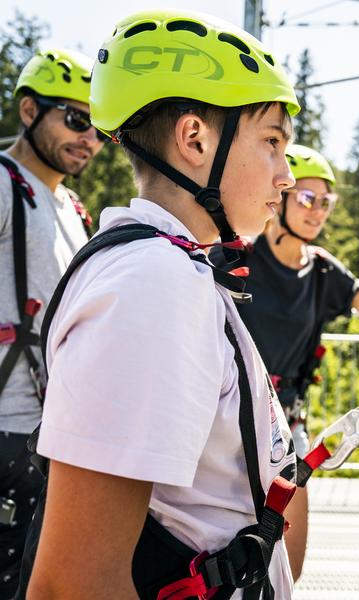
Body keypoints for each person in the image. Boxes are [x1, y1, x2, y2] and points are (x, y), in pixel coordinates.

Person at [18, 11, 303, 599]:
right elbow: (77, 585)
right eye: (272, 142)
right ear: (195, 139)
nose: (286, 176)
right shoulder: (152, 284)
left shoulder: (176, 269)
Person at [218, 143, 359, 579]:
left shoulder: (323, 272)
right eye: (307, 199)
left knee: (289, 566)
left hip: (285, 425)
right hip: (224, 422)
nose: (318, 211)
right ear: (283, 198)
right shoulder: (237, 257)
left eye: (326, 201)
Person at [0, 48, 101, 597]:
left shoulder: (71, 207)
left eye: (97, 127)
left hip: (48, 437)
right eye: (76, 119)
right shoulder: (3, 183)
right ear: (29, 109)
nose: (88, 138)